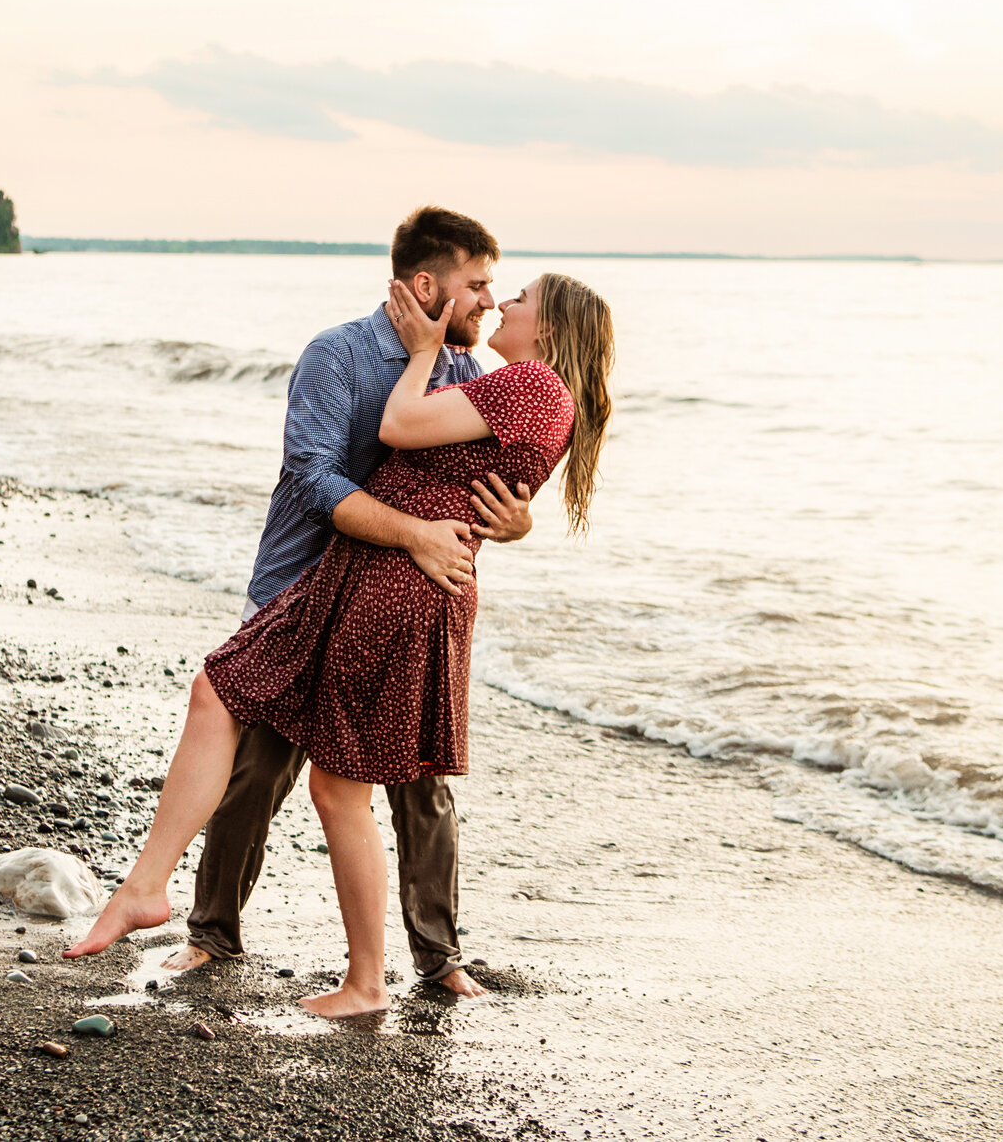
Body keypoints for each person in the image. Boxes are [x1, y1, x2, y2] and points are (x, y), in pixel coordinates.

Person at [66, 260, 617, 1021]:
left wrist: (423, 353)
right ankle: (176, 902)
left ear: (550, 327)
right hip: (373, 579)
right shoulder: (522, 391)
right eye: (490, 287)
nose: (502, 303)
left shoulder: (528, 385)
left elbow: (400, 428)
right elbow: (475, 490)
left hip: (393, 584)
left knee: (329, 773)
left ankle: (368, 978)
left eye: (517, 297)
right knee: (254, 719)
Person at [163, 207, 531, 1001]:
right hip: (301, 588)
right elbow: (314, 478)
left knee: (420, 782)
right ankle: (209, 935)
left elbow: (491, 484)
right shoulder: (339, 355)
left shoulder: (468, 375)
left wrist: (518, 517)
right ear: (425, 285)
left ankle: (439, 959)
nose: (490, 302)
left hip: (398, 612)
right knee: (257, 768)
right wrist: (413, 535)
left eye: (496, 287)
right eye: (476, 285)